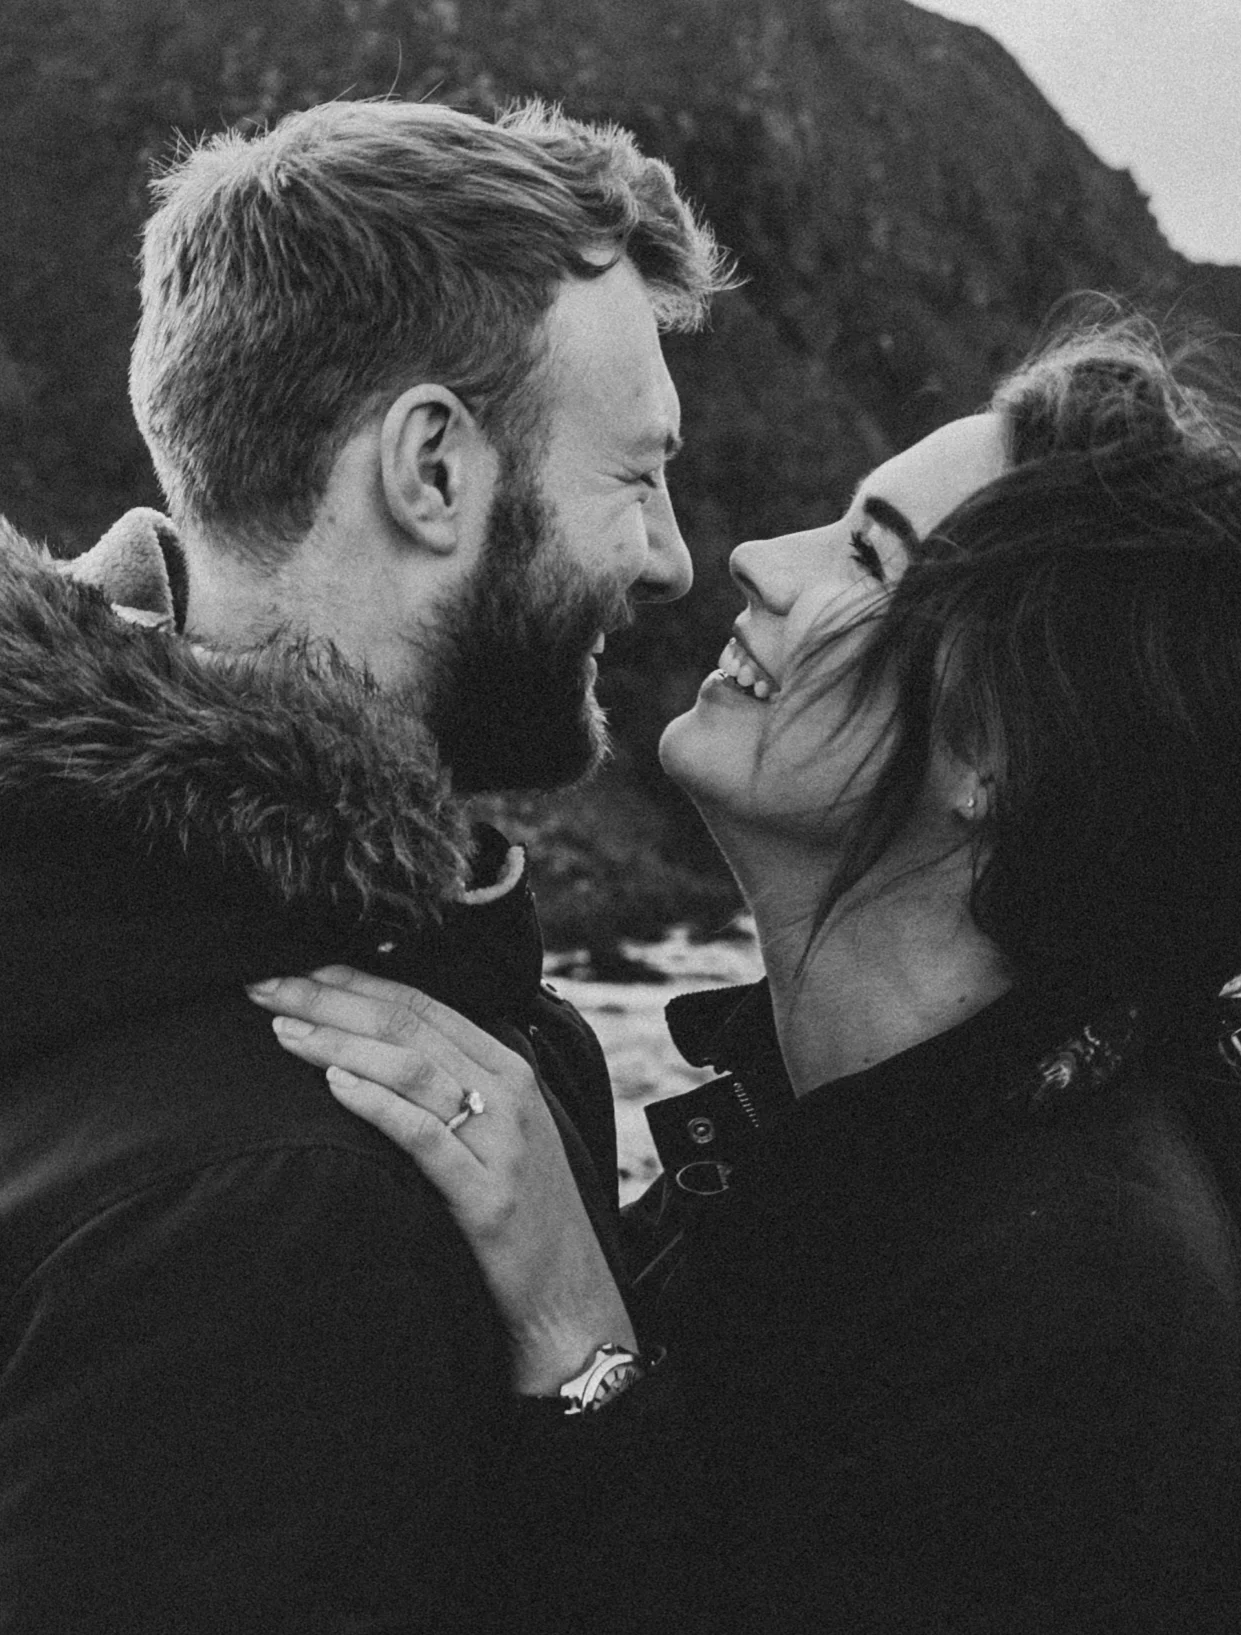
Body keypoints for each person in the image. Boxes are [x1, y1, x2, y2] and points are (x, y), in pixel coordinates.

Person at [251, 312, 1241, 1632]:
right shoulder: (824, 1138)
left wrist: (583, 1343)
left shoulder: (1095, 1311)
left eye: (870, 560)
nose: (758, 561)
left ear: (1006, 751)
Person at [0, 98, 729, 1632]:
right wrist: (593, 1373)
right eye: (637, 474)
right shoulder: (292, 1198)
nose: (668, 556)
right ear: (434, 471)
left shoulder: (87, 909)